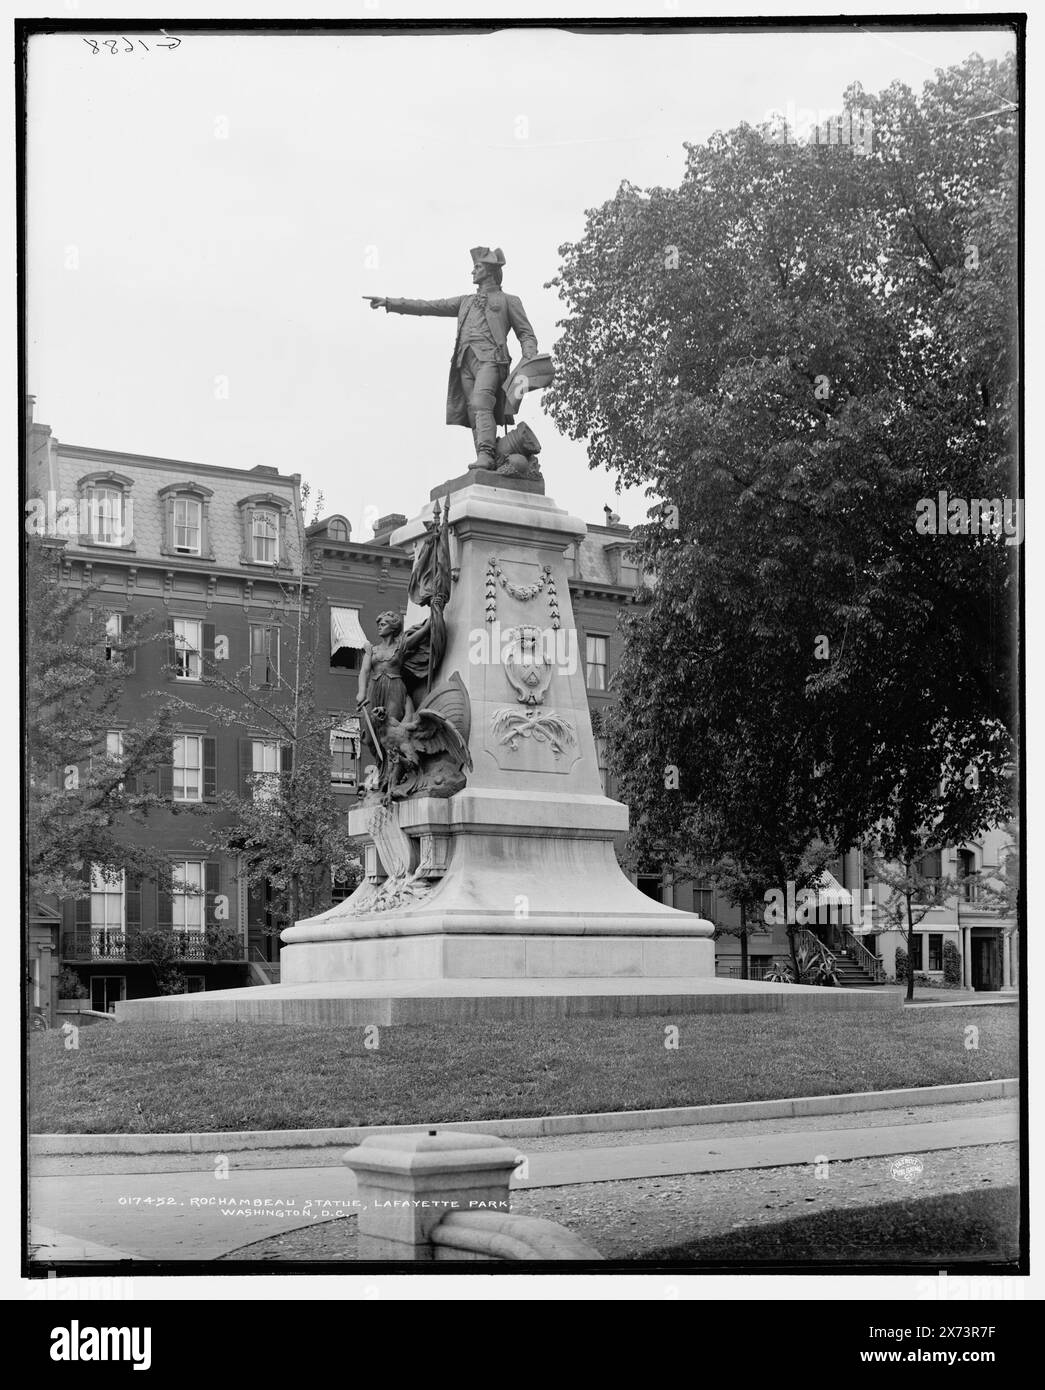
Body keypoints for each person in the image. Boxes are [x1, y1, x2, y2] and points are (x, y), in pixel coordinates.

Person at [366, 246, 539, 470]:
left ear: (488, 270)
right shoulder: (464, 301)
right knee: (473, 410)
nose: (472, 271)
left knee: (480, 402)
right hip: (464, 364)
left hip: (491, 360)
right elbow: (428, 306)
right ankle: (488, 458)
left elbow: (526, 333)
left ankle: (486, 453)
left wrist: (529, 355)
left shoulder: (509, 300)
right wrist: (389, 302)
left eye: (477, 267)